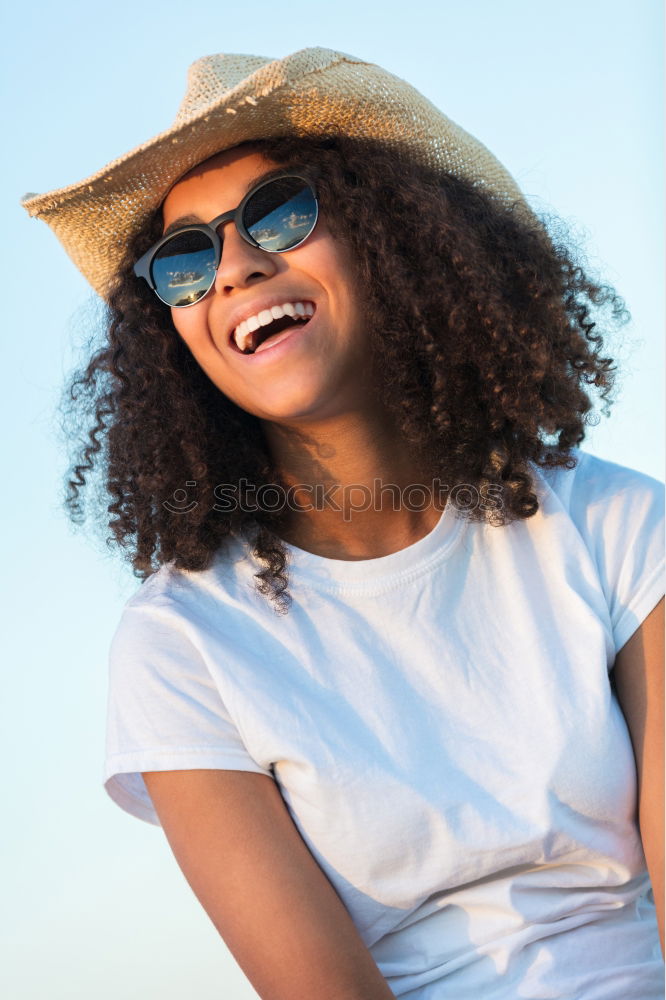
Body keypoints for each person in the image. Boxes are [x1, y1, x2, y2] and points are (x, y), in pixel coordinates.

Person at [22, 47, 664, 999]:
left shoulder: (613, 522)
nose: (235, 267)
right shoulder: (181, 647)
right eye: (185, 257)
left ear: (392, 235)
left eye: (281, 212)